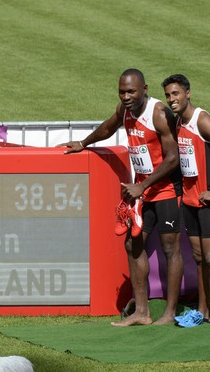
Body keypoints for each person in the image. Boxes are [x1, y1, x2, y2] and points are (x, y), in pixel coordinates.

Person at [57, 68, 183, 326]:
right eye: (122, 91)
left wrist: (143, 185)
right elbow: (108, 127)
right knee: (132, 244)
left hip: (166, 189)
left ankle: (170, 313)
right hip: (144, 190)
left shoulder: (158, 114)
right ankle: (143, 312)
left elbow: (173, 158)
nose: (125, 96)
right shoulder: (125, 110)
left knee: (171, 249)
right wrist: (84, 142)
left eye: (131, 92)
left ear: (144, 90)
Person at [163, 74, 210, 323]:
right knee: (200, 259)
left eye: (176, 94)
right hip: (190, 201)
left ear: (188, 93)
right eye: (169, 95)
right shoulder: (179, 122)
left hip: (207, 201)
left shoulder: (202, 120)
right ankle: (203, 311)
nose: (172, 99)